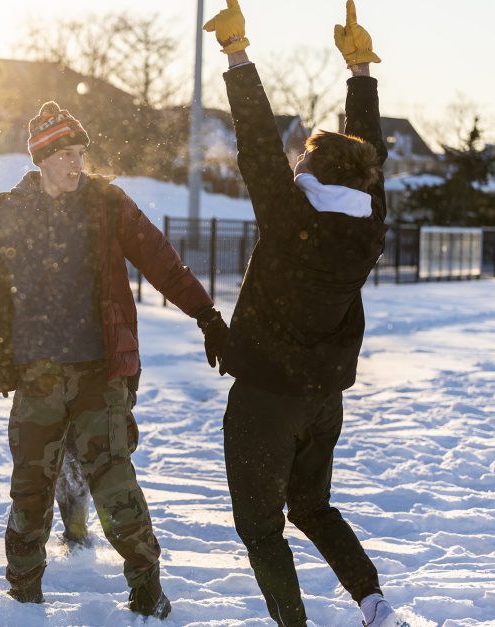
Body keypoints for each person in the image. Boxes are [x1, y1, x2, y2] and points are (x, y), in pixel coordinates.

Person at [0, 101, 228, 619]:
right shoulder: (3, 213)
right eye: (67, 155)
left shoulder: (106, 204)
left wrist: (206, 315)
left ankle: (147, 591)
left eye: (80, 155)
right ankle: (24, 596)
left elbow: (161, 260)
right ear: (42, 158)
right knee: (30, 491)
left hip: (99, 375)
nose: (77, 165)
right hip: (36, 378)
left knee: (115, 484)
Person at [203, 1, 409, 626]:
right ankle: (374, 605)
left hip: (267, 399)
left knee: (261, 528)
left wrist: (238, 54)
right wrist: (361, 71)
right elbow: (363, 157)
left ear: (313, 170)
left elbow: (258, 141)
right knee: (312, 507)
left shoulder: (291, 215)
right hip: (323, 399)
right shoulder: (367, 225)